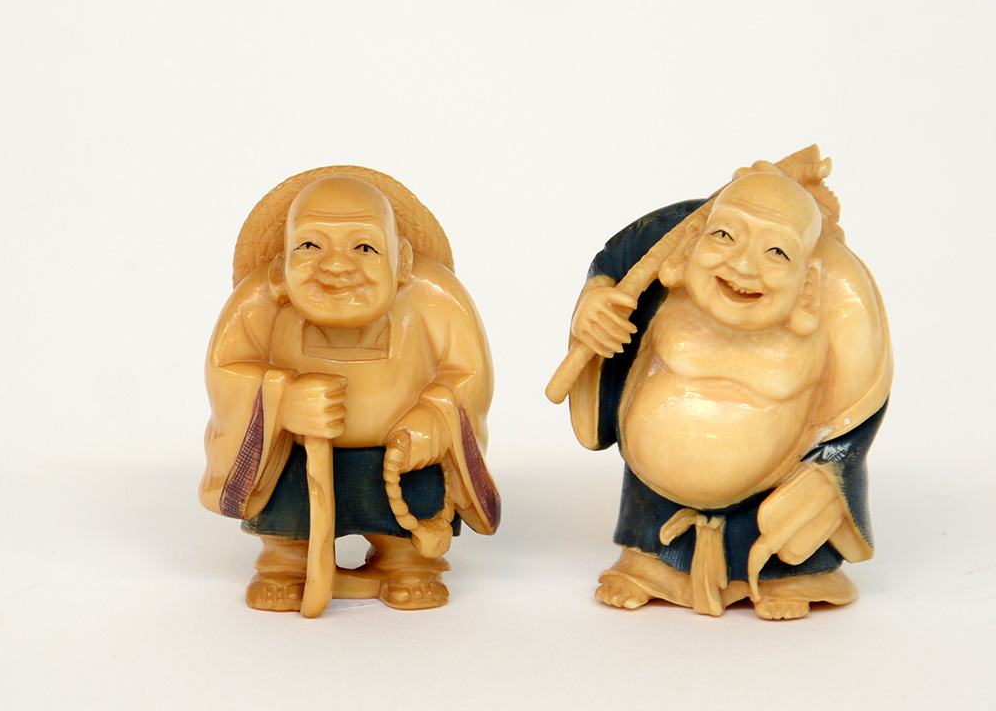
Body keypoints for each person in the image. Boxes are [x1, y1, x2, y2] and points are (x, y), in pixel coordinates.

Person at [565, 150, 891, 619]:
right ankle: (654, 564)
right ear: (689, 248)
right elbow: (613, 262)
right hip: (655, 486)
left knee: (791, 521)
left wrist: (828, 470)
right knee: (651, 527)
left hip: (772, 484)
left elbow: (858, 409)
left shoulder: (837, 308)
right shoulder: (669, 263)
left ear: (807, 284)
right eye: (724, 236)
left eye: (776, 252)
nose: (743, 266)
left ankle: (788, 575)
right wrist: (595, 301)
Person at [200, 168, 499, 614]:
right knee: (287, 505)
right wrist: (281, 399)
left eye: (364, 247)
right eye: (310, 245)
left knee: (413, 496)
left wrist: (432, 421)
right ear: (281, 261)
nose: (336, 266)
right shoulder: (260, 298)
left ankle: (406, 561)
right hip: (295, 452)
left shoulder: (435, 296)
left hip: (397, 454)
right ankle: (286, 562)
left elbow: (469, 373)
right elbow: (225, 368)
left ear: (402, 260)